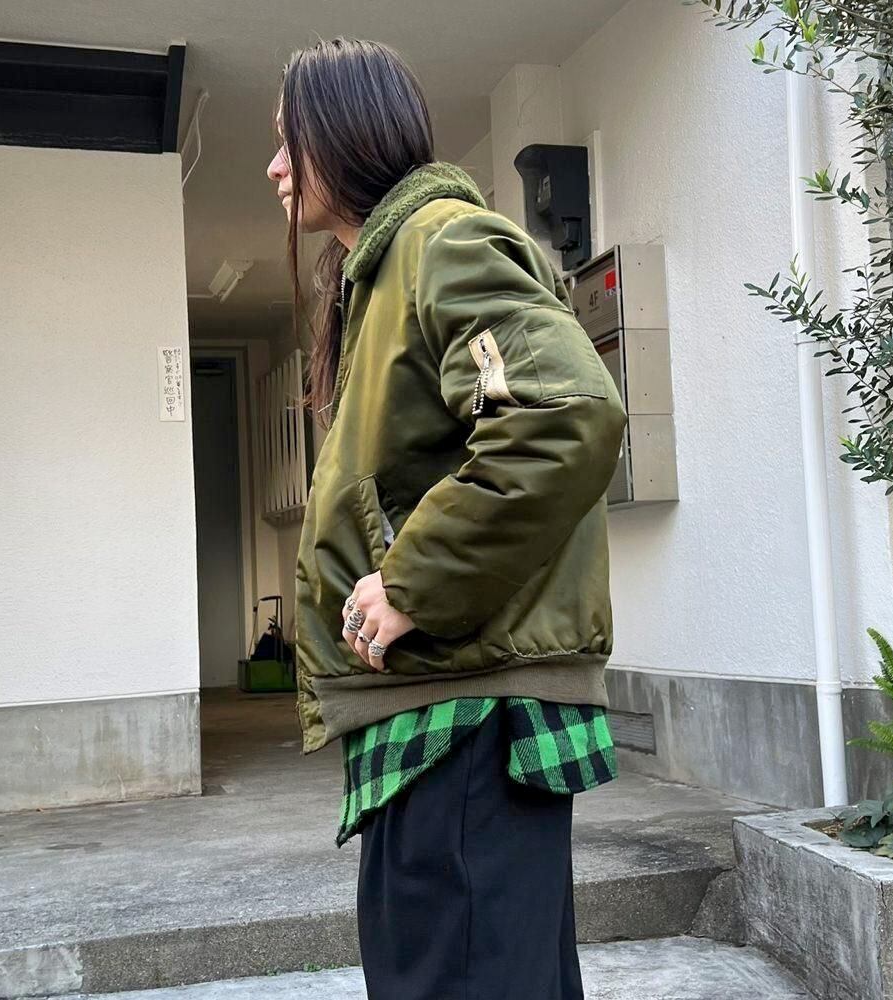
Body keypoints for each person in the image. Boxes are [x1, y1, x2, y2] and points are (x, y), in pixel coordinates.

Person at [266, 36, 628, 1000]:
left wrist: (411, 584)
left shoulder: (442, 242)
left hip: (467, 718)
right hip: (448, 709)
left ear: (346, 135)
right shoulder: (386, 273)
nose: (275, 168)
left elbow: (563, 414)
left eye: (290, 140)